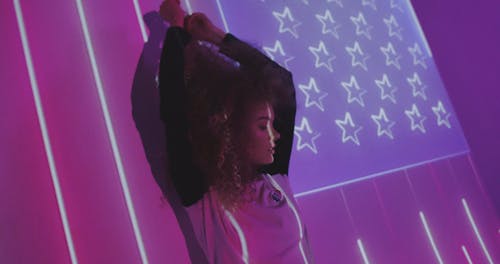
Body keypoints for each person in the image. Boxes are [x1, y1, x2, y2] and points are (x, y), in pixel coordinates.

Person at [158, 1, 314, 263]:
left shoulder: (273, 175)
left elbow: (281, 81)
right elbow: (173, 108)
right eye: (263, 125)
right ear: (235, 130)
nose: (276, 135)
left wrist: (215, 36)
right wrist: (175, 28)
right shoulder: (203, 193)